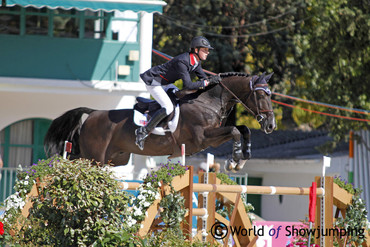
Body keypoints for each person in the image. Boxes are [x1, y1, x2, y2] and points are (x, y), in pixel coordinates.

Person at [136, 36, 221, 150]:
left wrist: (213, 81)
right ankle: (143, 131)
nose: (208, 52)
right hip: (154, 82)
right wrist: (207, 82)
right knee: (168, 107)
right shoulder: (183, 61)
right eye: (205, 50)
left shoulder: (196, 62)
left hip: (165, 83)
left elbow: (203, 79)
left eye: (208, 50)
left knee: (184, 98)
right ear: (196, 50)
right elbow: (189, 85)